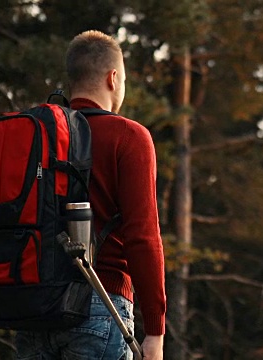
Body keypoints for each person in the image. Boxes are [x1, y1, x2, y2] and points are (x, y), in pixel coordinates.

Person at [15, 30, 166, 359]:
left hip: (34, 307)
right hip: (101, 305)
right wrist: (155, 329)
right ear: (113, 78)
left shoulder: (35, 135)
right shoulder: (129, 136)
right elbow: (143, 236)